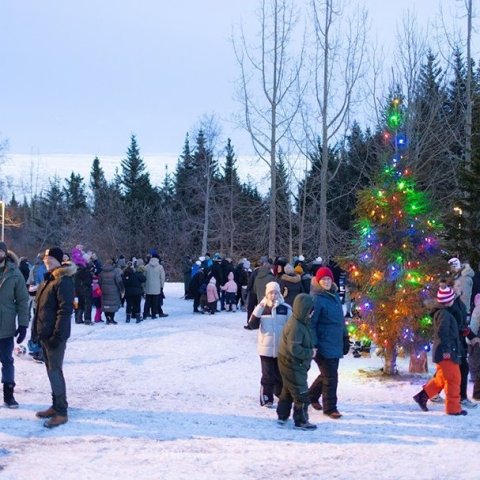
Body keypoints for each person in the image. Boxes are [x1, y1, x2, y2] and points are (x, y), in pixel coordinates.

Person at [33, 246, 76, 427]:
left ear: (59, 261)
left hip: (54, 336)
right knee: (51, 371)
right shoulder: (50, 279)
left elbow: (64, 311)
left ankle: (61, 412)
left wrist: (57, 336)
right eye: (45, 258)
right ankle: (55, 405)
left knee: (55, 371)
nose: (46, 261)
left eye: (50, 259)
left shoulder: (63, 280)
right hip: (45, 333)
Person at [413, 285, 467, 416]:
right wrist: (447, 350)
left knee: (442, 378)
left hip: (443, 351)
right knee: (454, 379)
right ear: (448, 301)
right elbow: (443, 333)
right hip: (446, 352)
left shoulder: (443, 313)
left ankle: (422, 396)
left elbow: (448, 331)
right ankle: (453, 409)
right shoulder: (444, 314)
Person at [308, 266, 348, 419]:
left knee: (328, 375)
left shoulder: (334, 296)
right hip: (323, 344)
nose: (326, 281)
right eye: (323, 279)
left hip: (335, 342)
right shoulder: (316, 298)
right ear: (318, 281)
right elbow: (311, 324)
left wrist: (345, 337)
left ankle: (311, 395)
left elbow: (340, 321)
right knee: (331, 377)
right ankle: (330, 407)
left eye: (328, 279)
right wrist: (314, 344)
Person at [246, 281, 292, 407]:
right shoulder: (262, 308)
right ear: (267, 294)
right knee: (267, 375)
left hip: (280, 349)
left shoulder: (285, 308)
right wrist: (259, 308)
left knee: (279, 374)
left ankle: (280, 393)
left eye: (276, 293)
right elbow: (252, 325)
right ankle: (266, 397)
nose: (273, 295)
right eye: (271, 293)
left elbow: (291, 327)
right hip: (265, 349)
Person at [277, 293, 317, 430]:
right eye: (310, 311)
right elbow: (294, 348)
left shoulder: (301, 321)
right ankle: (301, 420)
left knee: (288, 389)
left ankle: (282, 415)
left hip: (292, 363)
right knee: (301, 392)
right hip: (292, 363)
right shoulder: (295, 326)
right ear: (303, 310)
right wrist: (310, 353)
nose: (312, 313)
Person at [0, 241, 29, 408]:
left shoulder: (15, 274)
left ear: (4, 253)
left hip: (5, 327)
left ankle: (9, 394)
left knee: (7, 360)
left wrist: (23, 325)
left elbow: (23, 301)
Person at [99, 258, 124, 325]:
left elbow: (99, 282)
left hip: (104, 291)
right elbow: (119, 282)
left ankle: (107, 319)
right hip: (114, 291)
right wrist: (122, 290)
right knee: (112, 305)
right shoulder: (115, 272)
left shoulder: (102, 272)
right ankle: (112, 319)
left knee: (106, 305)